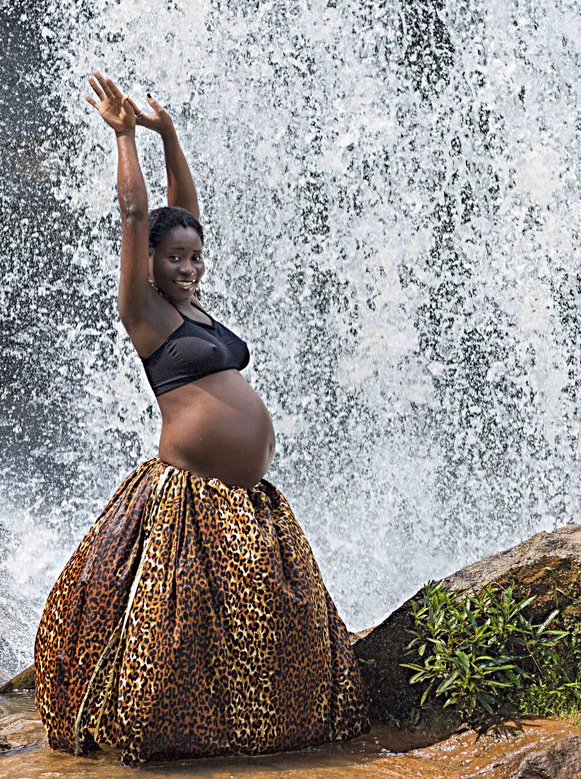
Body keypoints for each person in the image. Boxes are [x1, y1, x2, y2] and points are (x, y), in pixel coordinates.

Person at [32, 70, 370, 766]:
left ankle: (265, 732)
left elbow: (182, 210)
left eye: (195, 257)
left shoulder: (192, 304)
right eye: (175, 258)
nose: (188, 266)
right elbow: (138, 215)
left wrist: (170, 134)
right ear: (149, 263)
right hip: (187, 501)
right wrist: (125, 138)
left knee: (277, 622)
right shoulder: (145, 311)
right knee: (175, 634)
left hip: (246, 501)